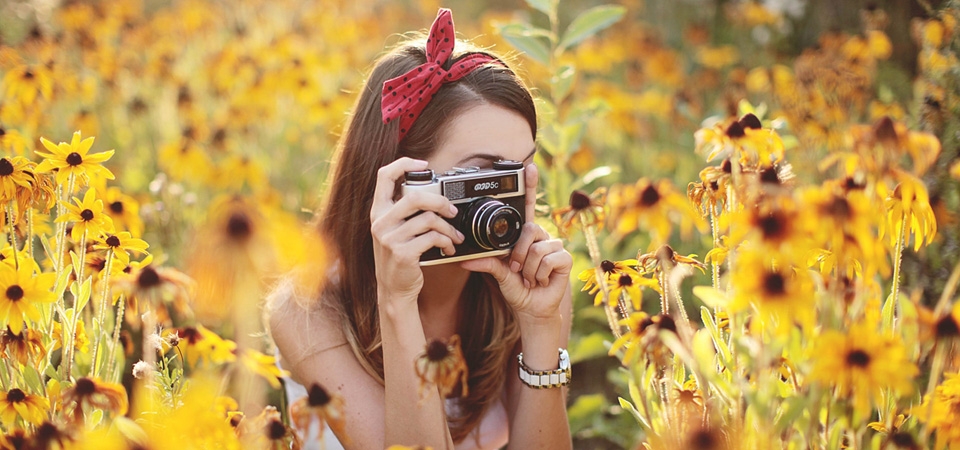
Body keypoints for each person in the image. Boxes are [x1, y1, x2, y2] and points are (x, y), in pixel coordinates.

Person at [267, 8, 573, 450]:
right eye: (481, 174)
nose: (502, 202)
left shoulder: (533, 281)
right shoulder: (307, 310)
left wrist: (542, 327)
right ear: (400, 177)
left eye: (518, 170)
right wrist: (397, 302)